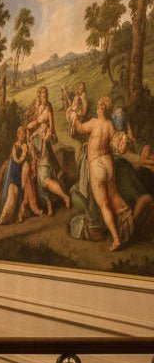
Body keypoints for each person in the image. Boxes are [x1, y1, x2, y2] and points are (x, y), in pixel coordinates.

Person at [72, 96, 133, 251]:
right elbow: (115, 144)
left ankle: (116, 239)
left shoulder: (94, 122)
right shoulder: (110, 125)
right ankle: (127, 216)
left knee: (104, 205)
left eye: (99, 107)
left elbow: (78, 128)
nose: (98, 109)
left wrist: (74, 115)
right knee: (114, 196)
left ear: (100, 108)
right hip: (108, 163)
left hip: (97, 164)